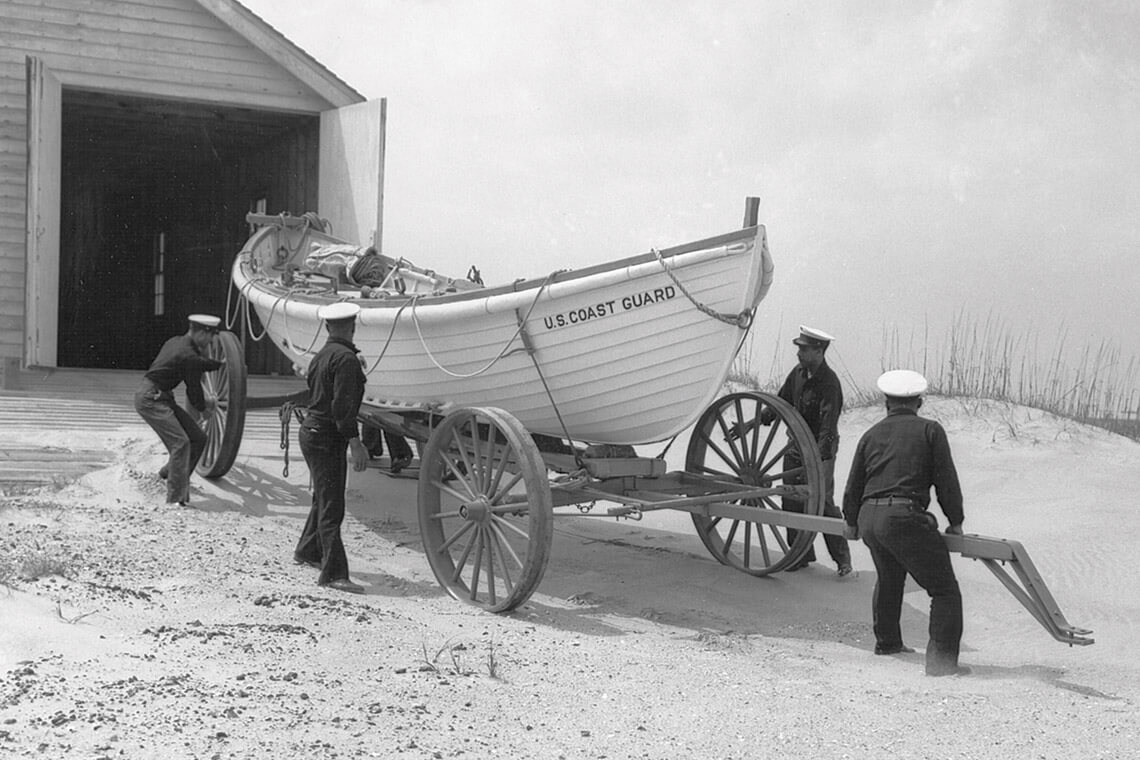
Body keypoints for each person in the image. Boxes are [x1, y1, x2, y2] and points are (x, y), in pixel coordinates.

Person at [842, 369, 969, 677]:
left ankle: (887, 643)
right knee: (944, 590)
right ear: (919, 402)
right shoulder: (930, 431)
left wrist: (851, 521)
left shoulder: (871, 434)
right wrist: (955, 521)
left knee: (889, 577)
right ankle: (941, 664)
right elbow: (945, 482)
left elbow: (854, 483)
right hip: (902, 516)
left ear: (886, 403)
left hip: (870, 517)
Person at [293, 302, 370, 594]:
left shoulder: (322, 355)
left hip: (311, 433)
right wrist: (356, 442)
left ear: (327, 327)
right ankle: (334, 574)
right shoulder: (347, 360)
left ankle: (307, 550)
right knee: (332, 505)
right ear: (352, 326)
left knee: (323, 497)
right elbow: (341, 407)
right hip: (327, 438)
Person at [770, 326, 853, 576]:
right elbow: (781, 402)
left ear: (819, 351)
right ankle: (800, 556)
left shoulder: (829, 383)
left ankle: (842, 560)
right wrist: (754, 422)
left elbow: (828, 426)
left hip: (821, 451)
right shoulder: (797, 374)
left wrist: (816, 459)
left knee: (822, 502)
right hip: (795, 447)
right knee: (790, 498)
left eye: (804, 349)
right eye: (799, 348)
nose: (799, 353)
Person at [134, 314, 224, 506]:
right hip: (151, 399)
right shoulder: (188, 355)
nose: (209, 342)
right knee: (181, 443)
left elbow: (195, 363)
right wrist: (203, 409)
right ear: (200, 332)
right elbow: (194, 388)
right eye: (209, 337)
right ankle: (175, 500)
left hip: (162, 396)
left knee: (198, 439)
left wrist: (218, 365)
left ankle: (170, 475)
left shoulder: (176, 341)